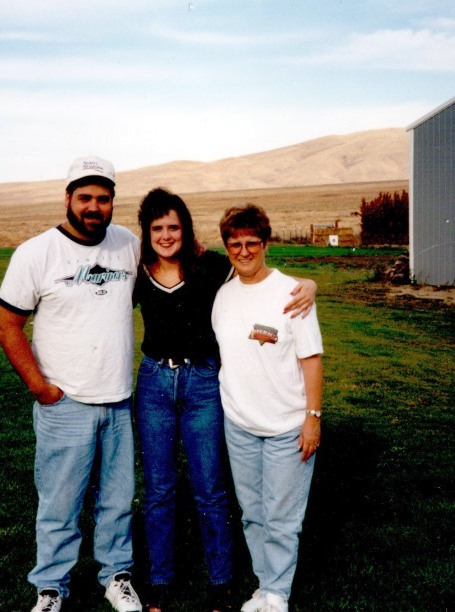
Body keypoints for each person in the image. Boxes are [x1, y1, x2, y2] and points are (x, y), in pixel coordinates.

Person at [133, 189, 317, 612]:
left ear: (186, 229)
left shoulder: (212, 268)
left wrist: (310, 283)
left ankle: (222, 582)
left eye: (173, 227)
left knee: (210, 489)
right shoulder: (137, 271)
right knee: (159, 488)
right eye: (157, 228)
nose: (166, 235)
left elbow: (262, 281)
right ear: (147, 232)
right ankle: (159, 581)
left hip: (202, 383)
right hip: (154, 383)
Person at [0, 156, 143, 612]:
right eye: (85, 197)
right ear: (68, 199)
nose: (94, 206)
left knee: (117, 501)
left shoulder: (128, 245)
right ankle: (51, 587)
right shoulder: (37, 253)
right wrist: (42, 389)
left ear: (113, 202)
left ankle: (116, 576)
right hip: (66, 403)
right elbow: (7, 325)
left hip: (119, 401)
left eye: (103, 198)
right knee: (59, 505)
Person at [211, 205, 323, 612]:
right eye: (235, 243)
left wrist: (312, 418)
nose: (243, 251)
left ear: (266, 244)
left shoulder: (292, 293)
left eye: (251, 243)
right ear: (226, 247)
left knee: (281, 517)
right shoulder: (223, 295)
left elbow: (311, 359)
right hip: (239, 425)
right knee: (253, 514)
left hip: (286, 426)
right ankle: (266, 586)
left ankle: (278, 593)